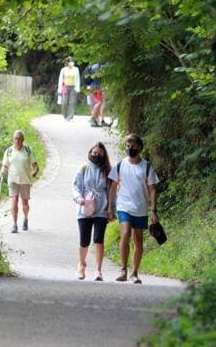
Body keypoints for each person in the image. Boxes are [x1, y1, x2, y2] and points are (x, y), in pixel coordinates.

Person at [107, 134, 159, 284]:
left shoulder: (147, 167)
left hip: (141, 207)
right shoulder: (120, 165)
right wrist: (110, 207)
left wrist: (154, 210)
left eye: (133, 146)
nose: (130, 148)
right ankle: (123, 269)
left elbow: (153, 189)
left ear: (140, 147)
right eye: (127, 146)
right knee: (125, 233)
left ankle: (134, 272)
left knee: (138, 239)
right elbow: (113, 187)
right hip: (124, 206)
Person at [72, 142, 111, 281]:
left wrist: (112, 209)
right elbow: (76, 186)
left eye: (99, 154)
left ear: (103, 155)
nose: (96, 155)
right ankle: (82, 264)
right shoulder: (83, 168)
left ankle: (98, 270)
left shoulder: (107, 171)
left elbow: (111, 192)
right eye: (94, 153)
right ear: (90, 153)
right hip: (85, 208)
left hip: (101, 208)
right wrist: (78, 198)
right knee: (84, 240)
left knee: (98, 239)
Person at [0, 130, 39, 233]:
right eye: (16, 139)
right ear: (13, 139)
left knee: (24, 202)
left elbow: (35, 165)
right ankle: (14, 224)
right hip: (13, 179)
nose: (17, 141)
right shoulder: (9, 151)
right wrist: (2, 171)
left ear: (23, 140)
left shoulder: (28, 150)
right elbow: (5, 165)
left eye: (20, 139)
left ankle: (25, 219)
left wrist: (34, 172)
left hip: (25, 179)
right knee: (14, 200)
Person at [84, 63, 109, 127]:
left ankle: (94, 120)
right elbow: (100, 77)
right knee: (99, 102)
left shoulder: (93, 66)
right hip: (97, 87)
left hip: (93, 86)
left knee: (98, 103)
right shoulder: (98, 67)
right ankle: (93, 118)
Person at [57, 57, 80, 121]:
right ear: (67, 62)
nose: (71, 63)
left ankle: (70, 117)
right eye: (70, 61)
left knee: (72, 102)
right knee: (64, 102)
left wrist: (77, 88)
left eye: (72, 61)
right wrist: (59, 89)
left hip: (73, 87)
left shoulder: (76, 69)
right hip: (65, 87)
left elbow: (78, 79)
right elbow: (60, 79)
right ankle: (65, 115)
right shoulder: (63, 69)